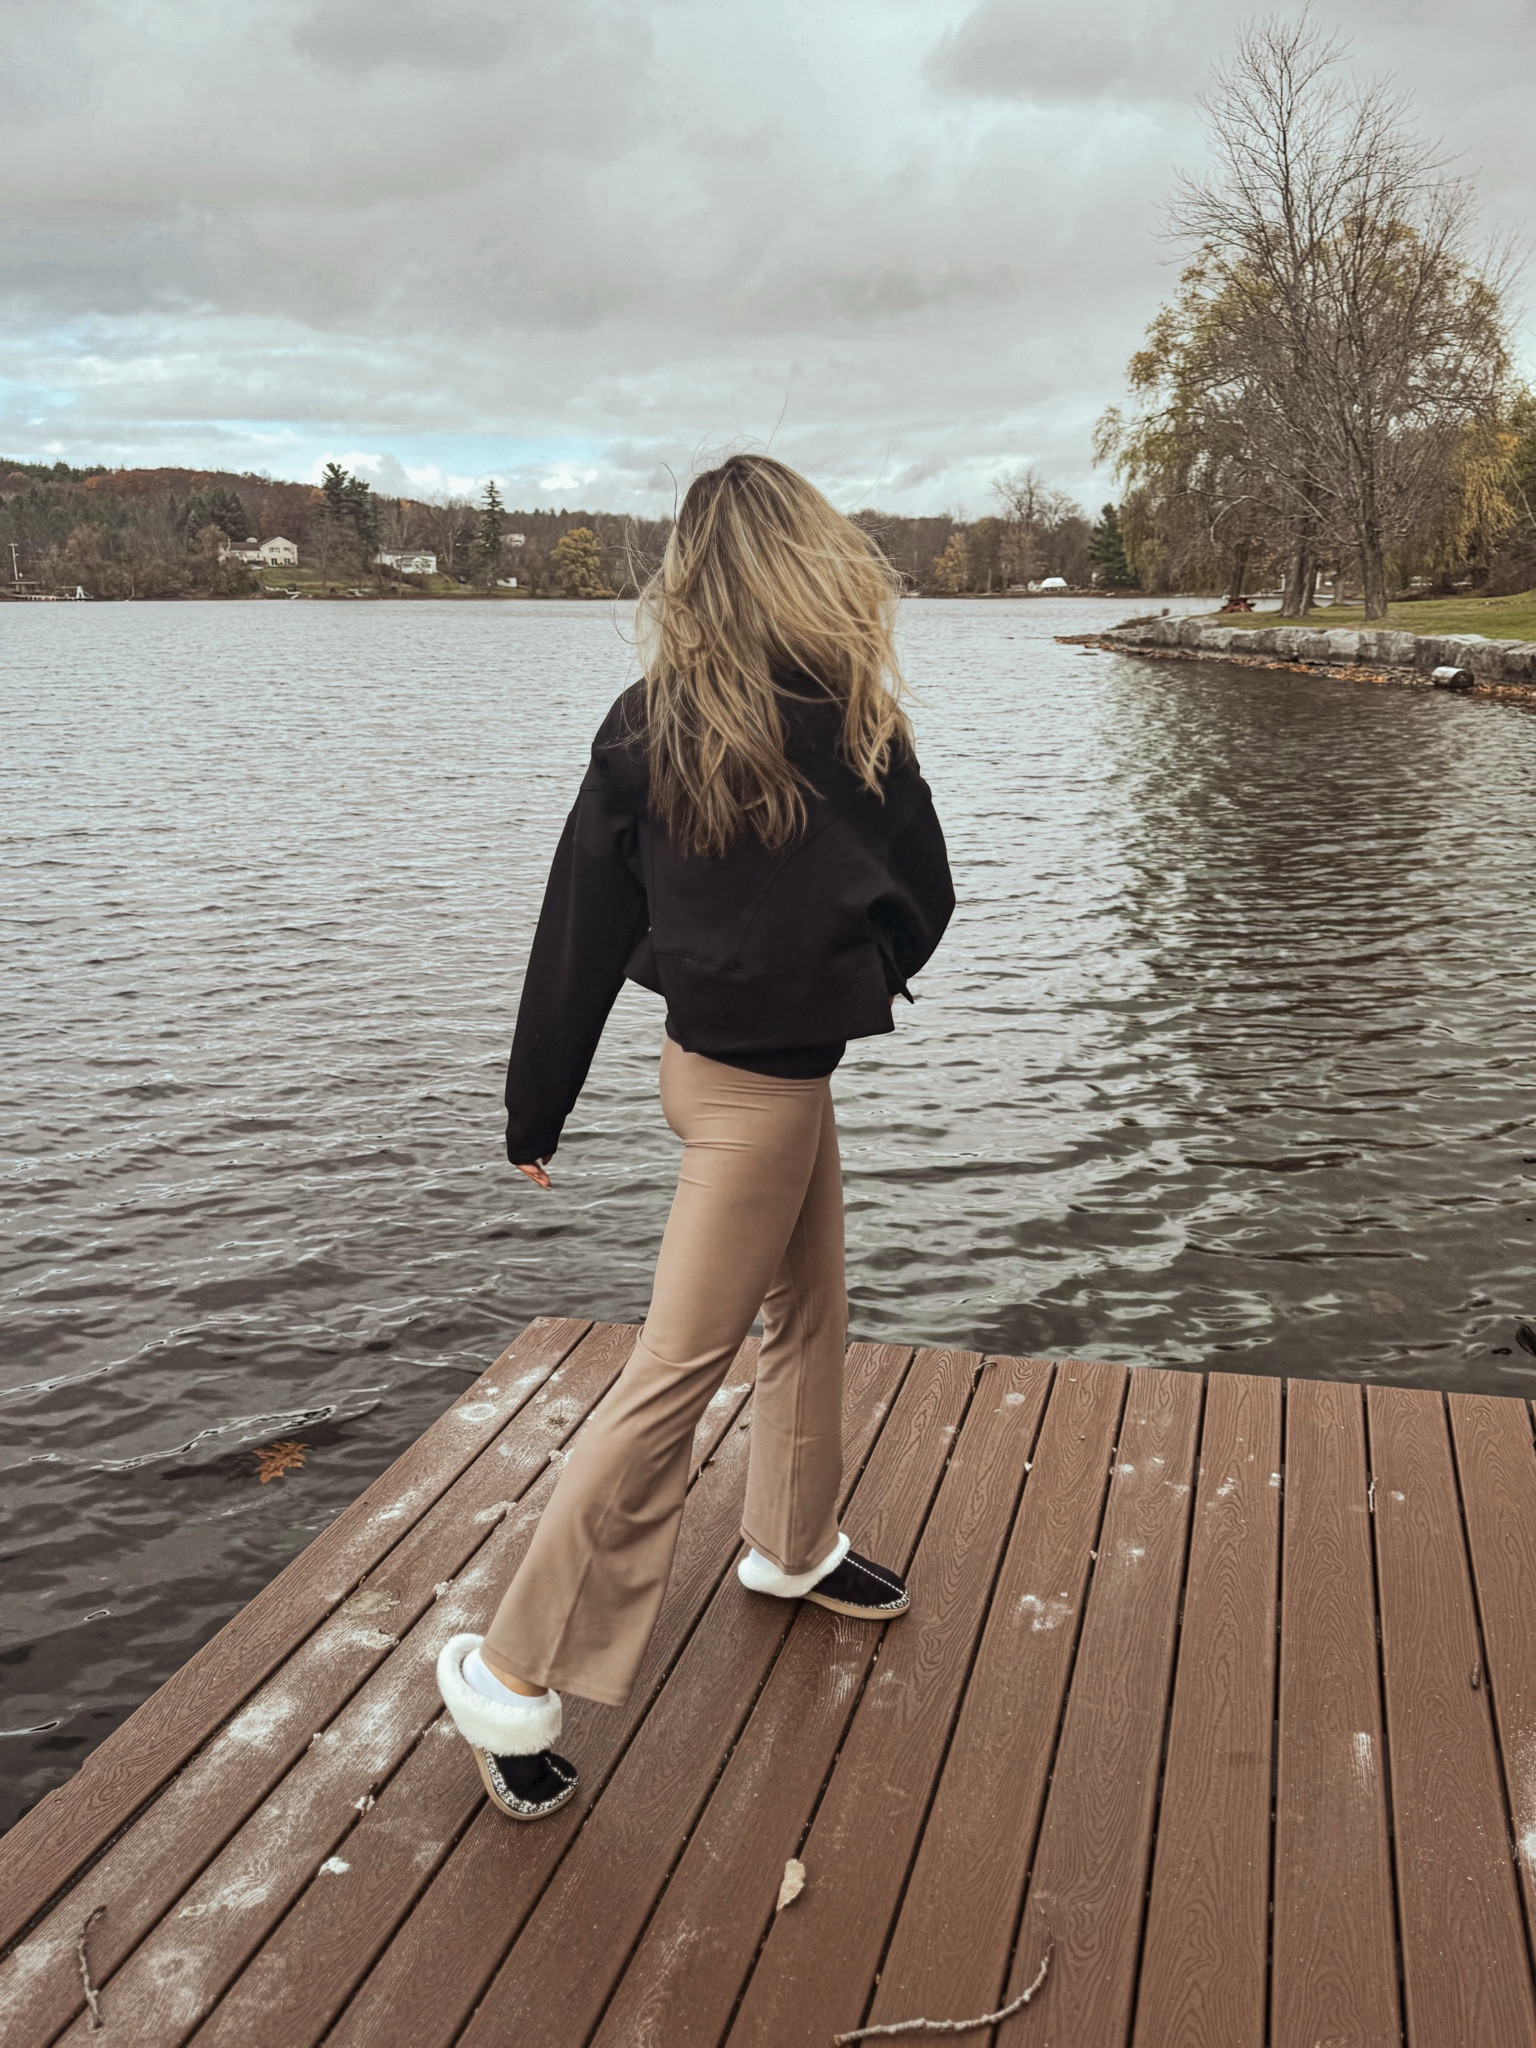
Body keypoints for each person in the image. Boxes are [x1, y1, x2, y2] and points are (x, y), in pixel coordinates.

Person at [436, 454, 954, 1820]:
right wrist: (858, 969)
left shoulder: (663, 723)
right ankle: (506, 1672)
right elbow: (928, 896)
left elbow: (582, 931)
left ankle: (788, 1544)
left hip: (712, 1078)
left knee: (811, 1314)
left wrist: (537, 1101)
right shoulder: (823, 729)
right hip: (757, 1106)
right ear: (808, 562)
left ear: (693, 574)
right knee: (671, 1379)